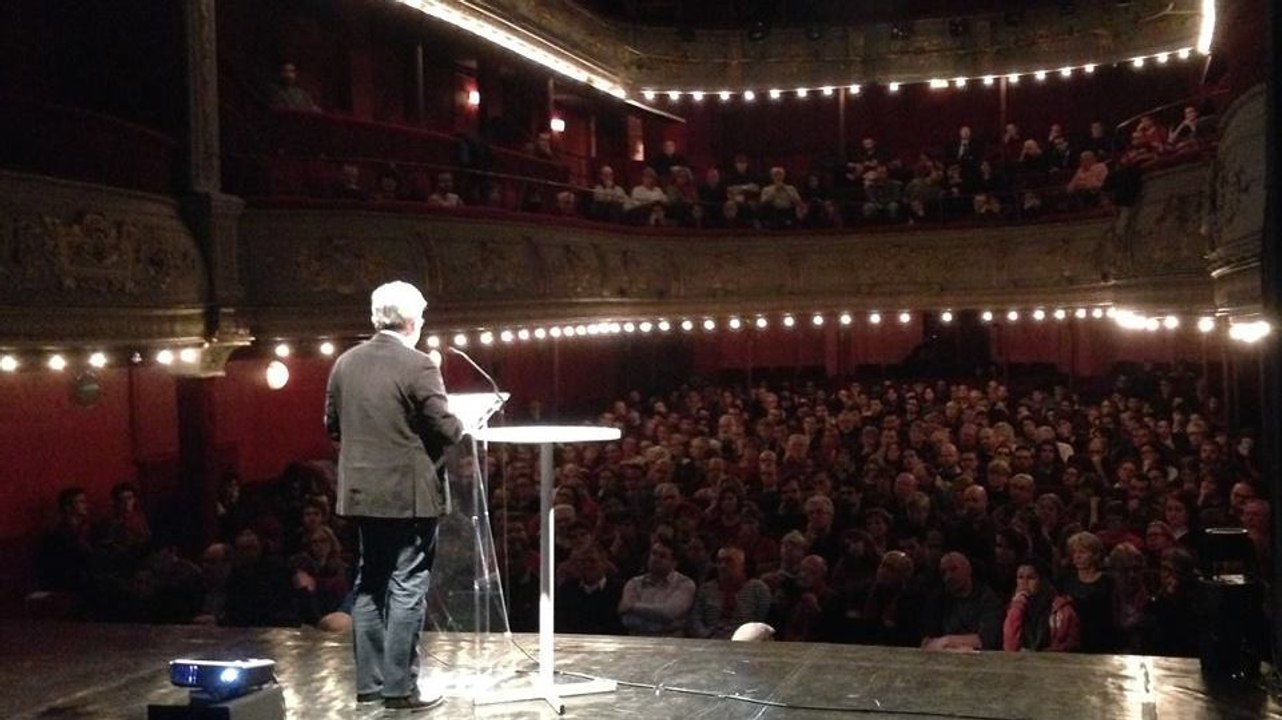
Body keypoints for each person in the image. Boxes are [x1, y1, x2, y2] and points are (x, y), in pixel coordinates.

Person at [325, 280, 464, 712]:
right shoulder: (419, 365)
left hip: (363, 493)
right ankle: (400, 689)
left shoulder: (344, 364)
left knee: (369, 585)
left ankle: (370, 684)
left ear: (374, 319)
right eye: (421, 318)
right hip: (409, 496)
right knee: (407, 587)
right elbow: (447, 429)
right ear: (410, 321)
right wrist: (461, 420)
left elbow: (332, 425)